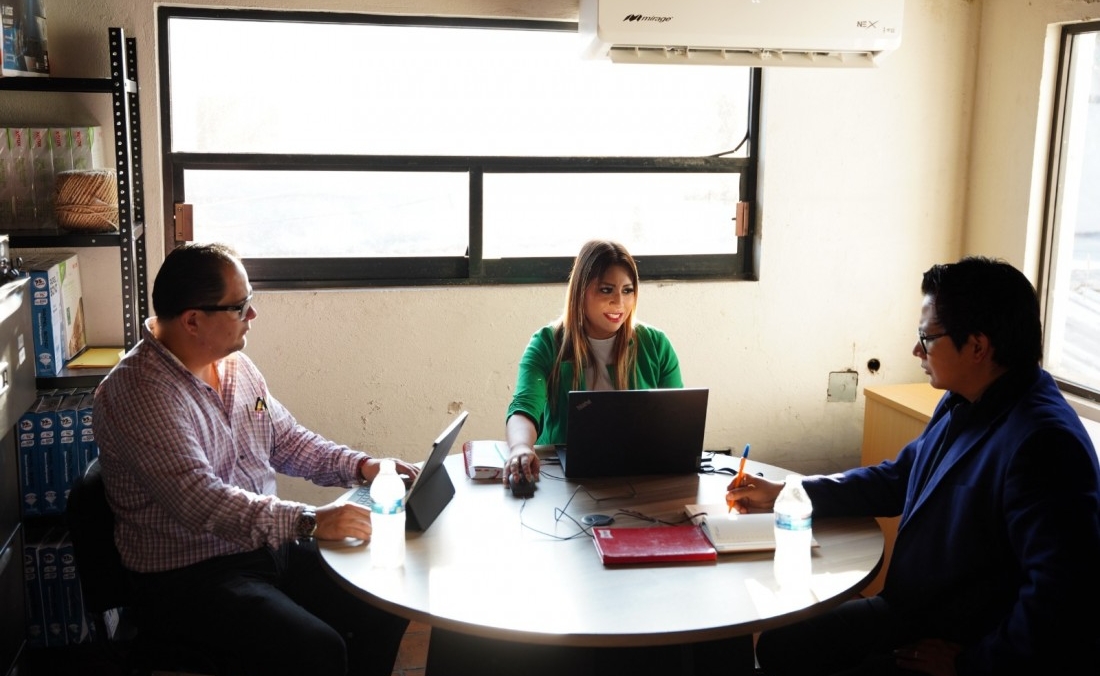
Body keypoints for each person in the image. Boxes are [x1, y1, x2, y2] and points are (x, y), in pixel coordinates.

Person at [727, 256, 1100, 676]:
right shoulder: (965, 397)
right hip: (912, 612)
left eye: (928, 337)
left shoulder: (1044, 443)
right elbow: (898, 477)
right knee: (780, 643)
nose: (916, 350)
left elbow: (1063, 597)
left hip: (960, 644)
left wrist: (969, 664)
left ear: (978, 347)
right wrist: (789, 492)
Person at [94, 243, 420, 676]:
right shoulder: (140, 392)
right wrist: (310, 521)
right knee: (316, 650)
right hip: (189, 576)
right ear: (192, 320)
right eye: (239, 306)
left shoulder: (236, 368)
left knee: (385, 600)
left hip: (262, 549)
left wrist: (362, 466)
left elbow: (285, 440)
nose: (253, 314)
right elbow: (202, 501)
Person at [503, 239, 683, 486]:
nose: (619, 302)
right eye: (606, 290)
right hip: (564, 479)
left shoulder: (656, 344)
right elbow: (524, 407)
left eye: (627, 290)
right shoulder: (547, 343)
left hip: (640, 475)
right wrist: (521, 447)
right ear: (581, 292)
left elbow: (677, 418)